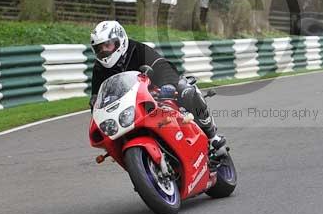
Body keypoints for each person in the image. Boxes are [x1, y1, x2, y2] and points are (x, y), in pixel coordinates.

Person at [88, 20, 226, 154]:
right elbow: (98, 97)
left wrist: (168, 85)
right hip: (129, 108)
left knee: (186, 90)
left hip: (156, 93)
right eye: (99, 48)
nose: (104, 51)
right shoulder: (99, 68)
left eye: (107, 45)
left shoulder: (138, 49)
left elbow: (162, 66)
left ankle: (212, 135)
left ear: (120, 40)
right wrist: (95, 105)